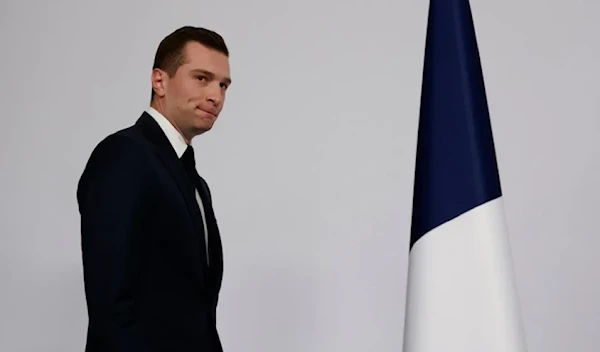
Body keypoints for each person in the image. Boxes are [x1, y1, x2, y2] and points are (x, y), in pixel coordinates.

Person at [76, 26, 232, 352]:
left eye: (223, 85)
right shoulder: (123, 156)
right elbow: (112, 304)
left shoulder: (194, 181)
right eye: (201, 78)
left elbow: (196, 308)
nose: (216, 96)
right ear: (159, 81)